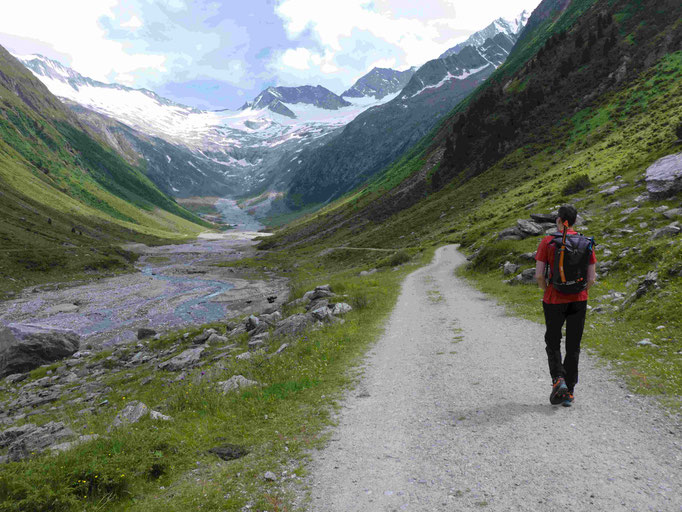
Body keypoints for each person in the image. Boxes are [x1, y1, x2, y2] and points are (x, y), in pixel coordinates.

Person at [535, 205, 597, 407]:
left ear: (559, 220)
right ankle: (569, 392)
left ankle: (558, 380)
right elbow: (591, 278)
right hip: (579, 299)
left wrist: (547, 290)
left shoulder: (547, 242)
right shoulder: (586, 242)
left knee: (552, 341)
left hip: (554, 299)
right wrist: (580, 290)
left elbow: (538, 275)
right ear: (575, 221)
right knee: (573, 345)